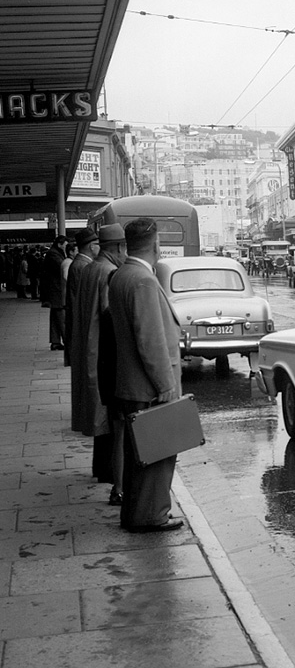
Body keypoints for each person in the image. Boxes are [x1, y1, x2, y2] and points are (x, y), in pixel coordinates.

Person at [108, 218, 183, 533]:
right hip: (148, 387)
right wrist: (166, 385)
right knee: (158, 455)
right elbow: (150, 340)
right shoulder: (143, 280)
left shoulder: (122, 275)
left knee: (138, 456)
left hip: (132, 383)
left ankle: (135, 514)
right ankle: (151, 515)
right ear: (155, 244)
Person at [73, 224, 126, 503]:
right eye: (124, 248)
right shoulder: (107, 272)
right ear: (116, 248)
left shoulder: (90, 267)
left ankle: (101, 469)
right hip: (102, 352)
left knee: (101, 417)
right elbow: (109, 317)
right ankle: (110, 475)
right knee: (109, 419)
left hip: (89, 348)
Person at [64, 228, 100, 365]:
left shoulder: (80, 263)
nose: (99, 248)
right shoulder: (83, 266)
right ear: (91, 246)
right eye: (97, 244)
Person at [40, 235, 68, 350]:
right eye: (65, 245)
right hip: (56, 289)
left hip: (54, 289)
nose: (66, 247)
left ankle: (55, 341)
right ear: (60, 244)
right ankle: (67, 340)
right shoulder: (53, 254)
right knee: (61, 316)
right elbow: (61, 267)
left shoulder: (54, 253)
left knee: (56, 317)